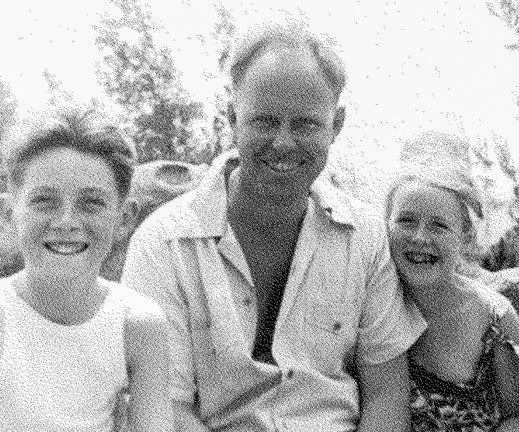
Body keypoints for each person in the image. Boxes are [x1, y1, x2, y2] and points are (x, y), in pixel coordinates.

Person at [121, 21, 426, 432]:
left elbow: (387, 394)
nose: (283, 143)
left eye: (305, 124)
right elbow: (164, 410)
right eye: (265, 122)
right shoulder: (162, 246)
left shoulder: (365, 236)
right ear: (233, 117)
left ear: (335, 126)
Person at [0, 109, 173, 432]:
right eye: (44, 201)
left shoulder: (139, 325)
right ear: (8, 213)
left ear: (125, 218)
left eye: (91, 203)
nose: (66, 222)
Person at [384, 142, 519, 432]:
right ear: (386, 225)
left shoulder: (493, 319)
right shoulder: (373, 303)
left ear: (465, 237)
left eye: (438, 226)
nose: (420, 237)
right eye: (406, 221)